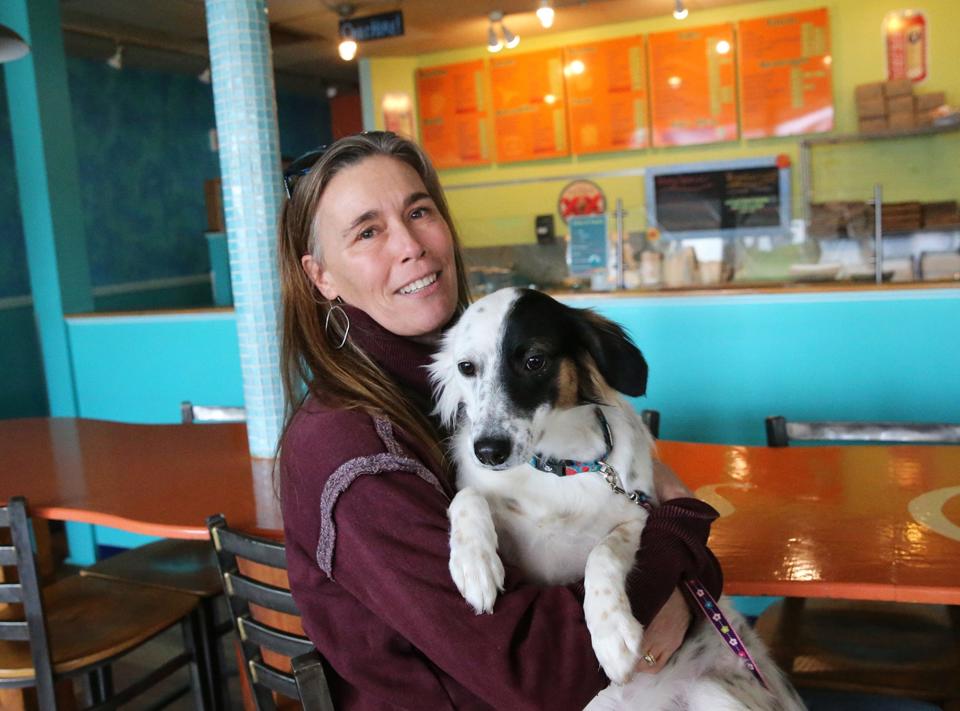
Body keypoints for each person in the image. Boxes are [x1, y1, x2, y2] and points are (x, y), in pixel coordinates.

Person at [277, 131, 723, 710]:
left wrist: (677, 587)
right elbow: (544, 671)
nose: (410, 244)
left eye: (419, 211)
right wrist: (681, 526)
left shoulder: (451, 390)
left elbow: (668, 587)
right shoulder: (352, 451)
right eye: (368, 231)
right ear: (322, 277)